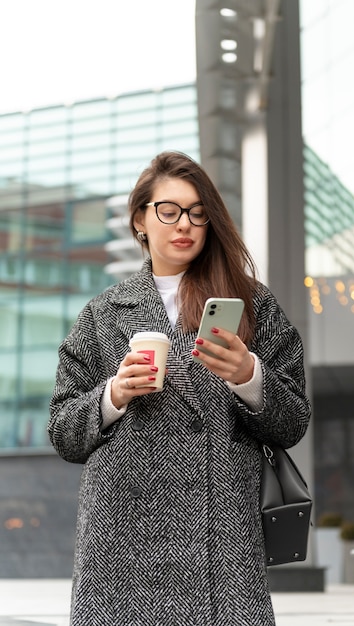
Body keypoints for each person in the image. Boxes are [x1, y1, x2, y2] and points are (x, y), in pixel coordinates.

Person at [48, 151, 311, 626]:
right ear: (140, 221)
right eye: (168, 210)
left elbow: (294, 420)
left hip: (221, 533)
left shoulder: (251, 303)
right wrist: (114, 395)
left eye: (197, 212)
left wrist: (248, 375)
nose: (183, 224)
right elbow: (63, 432)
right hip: (123, 540)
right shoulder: (103, 313)